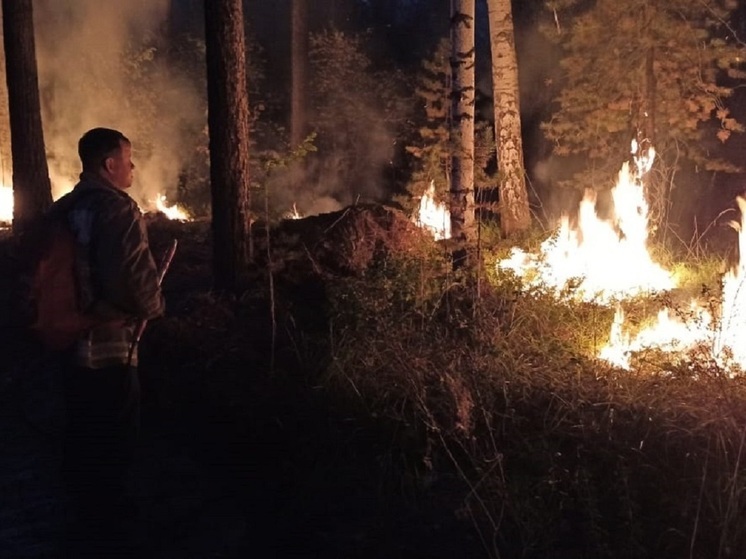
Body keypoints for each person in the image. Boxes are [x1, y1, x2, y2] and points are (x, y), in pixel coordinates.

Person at [54, 127, 165, 557]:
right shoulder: (117, 209)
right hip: (111, 343)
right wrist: (153, 309)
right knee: (116, 427)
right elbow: (132, 278)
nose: (133, 167)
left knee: (81, 423)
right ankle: (111, 523)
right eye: (128, 159)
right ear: (108, 165)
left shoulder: (64, 208)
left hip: (68, 340)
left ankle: (82, 509)